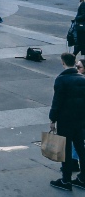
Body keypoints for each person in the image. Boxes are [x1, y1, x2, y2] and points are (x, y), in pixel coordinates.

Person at [48, 52, 85, 191]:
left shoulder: (61, 80)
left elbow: (57, 102)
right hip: (80, 119)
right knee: (81, 148)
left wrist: (53, 119)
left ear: (63, 62)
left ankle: (66, 180)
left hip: (66, 120)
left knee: (66, 149)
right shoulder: (82, 79)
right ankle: (83, 178)